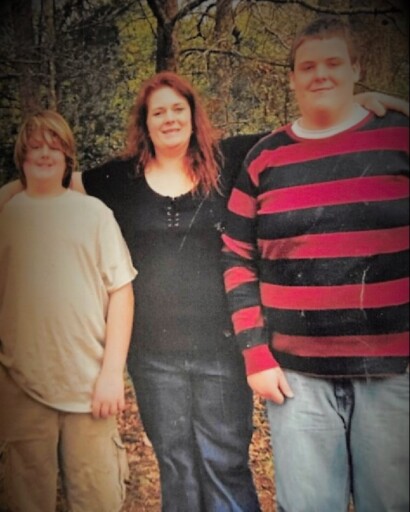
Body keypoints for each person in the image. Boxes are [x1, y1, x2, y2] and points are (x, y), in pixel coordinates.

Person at [0, 79, 407, 512]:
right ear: (145, 123)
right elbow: (54, 180)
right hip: (153, 358)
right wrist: (7, 195)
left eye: (178, 109)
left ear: (193, 116)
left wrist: (357, 100)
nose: (169, 119)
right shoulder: (120, 178)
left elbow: (302, 128)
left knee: (225, 463)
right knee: (175, 464)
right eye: (158, 112)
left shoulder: (229, 159)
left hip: (222, 351)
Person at [222, 15, 409, 512]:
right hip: (295, 378)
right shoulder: (263, 158)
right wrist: (255, 355)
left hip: (394, 373)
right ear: (292, 78)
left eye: (333, 63)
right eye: (307, 66)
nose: (320, 74)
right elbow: (236, 256)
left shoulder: (397, 137)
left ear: (356, 69)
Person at [0, 110, 137, 512]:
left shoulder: (93, 214)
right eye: (35, 147)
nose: (45, 154)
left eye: (54, 146)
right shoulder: (8, 215)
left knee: (97, 500)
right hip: (20, 387)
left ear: (68, 156)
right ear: (22, 156)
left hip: (90, 388)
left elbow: (122, 293)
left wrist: (112, 374)